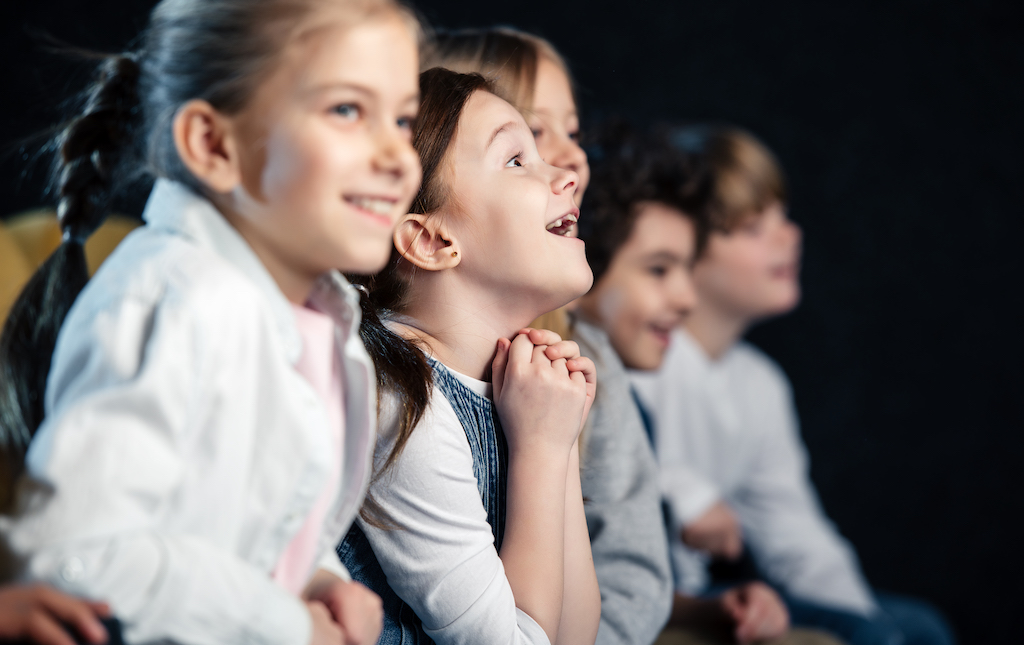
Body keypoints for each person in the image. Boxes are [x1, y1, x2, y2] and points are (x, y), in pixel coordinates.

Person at [0, 0, 422, 643]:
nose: (399, 157)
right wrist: (284, 623)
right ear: (213, 144)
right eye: (346, 110)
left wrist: (318, 578)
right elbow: (77, 560)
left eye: (403, 119)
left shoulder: (315, 315)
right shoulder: (180, 301)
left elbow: (247, 523)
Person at [629, 126, 955, 645]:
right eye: (755, 226)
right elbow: (607, 456)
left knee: (914, 626)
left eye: (783, 217)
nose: (790, 236)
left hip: (712, 588)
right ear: (688, 248)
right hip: (668, 598)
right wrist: (682, 490)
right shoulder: (639, 356)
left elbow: (793, 534)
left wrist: (868, 617)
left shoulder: (760, 384)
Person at [337, 67, 601, 645]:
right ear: (432, 240)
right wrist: (540, 449)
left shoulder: (522, 389)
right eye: (516, 160)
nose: (565, 177)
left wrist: (554, 442)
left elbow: (575, 636)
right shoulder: (400, 401)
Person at [426, 29, 674, 645]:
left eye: (572, 131)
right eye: (528, 144)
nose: (570, 162)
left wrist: (554, 442)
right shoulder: (405, 394)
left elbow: (617, 586)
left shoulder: (573, 362)